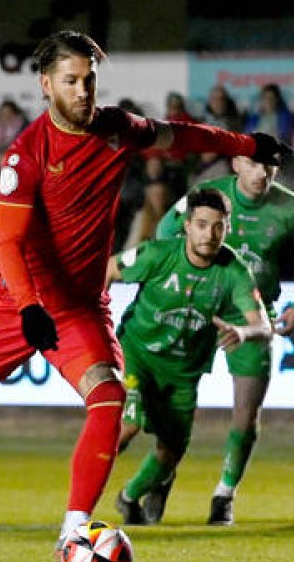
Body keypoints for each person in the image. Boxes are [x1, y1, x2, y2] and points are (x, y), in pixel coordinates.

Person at [0, 30, 288, 555]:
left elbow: (179, 134)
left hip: (79, 308)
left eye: (89, 80)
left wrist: (246, 145)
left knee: (109, 398)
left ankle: (74, 532)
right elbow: (9, 244)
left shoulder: (117, 129)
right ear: (45, 85)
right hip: (16, 302)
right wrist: (31, 306)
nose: (83, 91)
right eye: (71, 81)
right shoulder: (25, 156)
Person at [145, 135, 294, 526]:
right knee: (175, 408)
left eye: (270, 166)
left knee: (246, 412)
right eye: (255, 163)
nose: (262, 173)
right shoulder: (206, 197)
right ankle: (160, 475)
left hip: (252, 315)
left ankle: (224, 494)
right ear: (236, 163)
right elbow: (163, 232)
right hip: (199, 309)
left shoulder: (292, 208)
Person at [108, 188, 271, 525]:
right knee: (128, 425)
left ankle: (128, 496)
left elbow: (263, 326)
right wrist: (98, 318)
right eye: (201, 224)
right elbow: (108, 269)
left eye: (217, 226)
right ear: (186, 225)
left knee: (171, 452)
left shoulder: (233, 271)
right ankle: (77, 513)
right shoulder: (157, 255)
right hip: (137, 355)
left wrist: (242, 332)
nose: (209, 234)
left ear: (227, 229)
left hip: (183, 371)